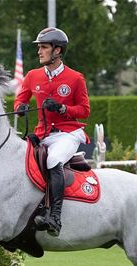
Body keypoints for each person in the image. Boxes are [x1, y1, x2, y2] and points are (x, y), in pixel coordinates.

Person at [14, 27, 91, 237]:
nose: (39, 51)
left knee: (53, 160)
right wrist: (20, 108)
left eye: (44, 47)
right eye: (39, 47)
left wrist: (63, 108)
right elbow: (20, 99)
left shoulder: (75, 78)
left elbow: (84, 111)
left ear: (57, 51)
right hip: (42, 134)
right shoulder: (32, 76)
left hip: (67, 134)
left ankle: (54, 217)